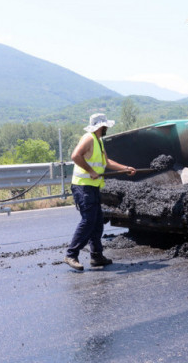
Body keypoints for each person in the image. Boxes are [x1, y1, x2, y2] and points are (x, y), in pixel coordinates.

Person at [64, 113, 135, 271]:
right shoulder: (88, 138)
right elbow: (75, 156)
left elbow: (106, 162)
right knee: (88, 220)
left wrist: (125, 168)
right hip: (83, 186)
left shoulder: (99, 141)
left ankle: (96, 256)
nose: (107, 128)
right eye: (105, 126)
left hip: (92, 186)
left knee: (97, 222)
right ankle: (71, 254)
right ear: (100, 126)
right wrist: (90, 170)